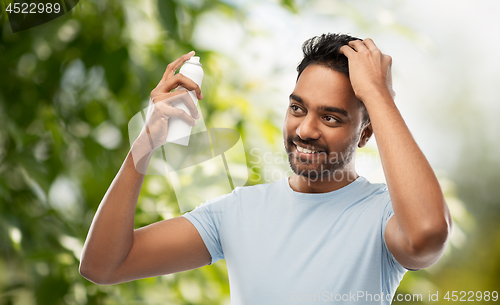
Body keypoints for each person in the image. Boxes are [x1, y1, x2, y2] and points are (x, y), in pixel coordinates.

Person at [80, 33, 452, 304]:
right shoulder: (238, 211)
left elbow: (427, 234)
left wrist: (378, 95)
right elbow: (104, 265)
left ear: (365, 132)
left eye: (332, 118)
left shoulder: (384, 216)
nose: (306, 129)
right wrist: (145, 143)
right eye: (297, 108)